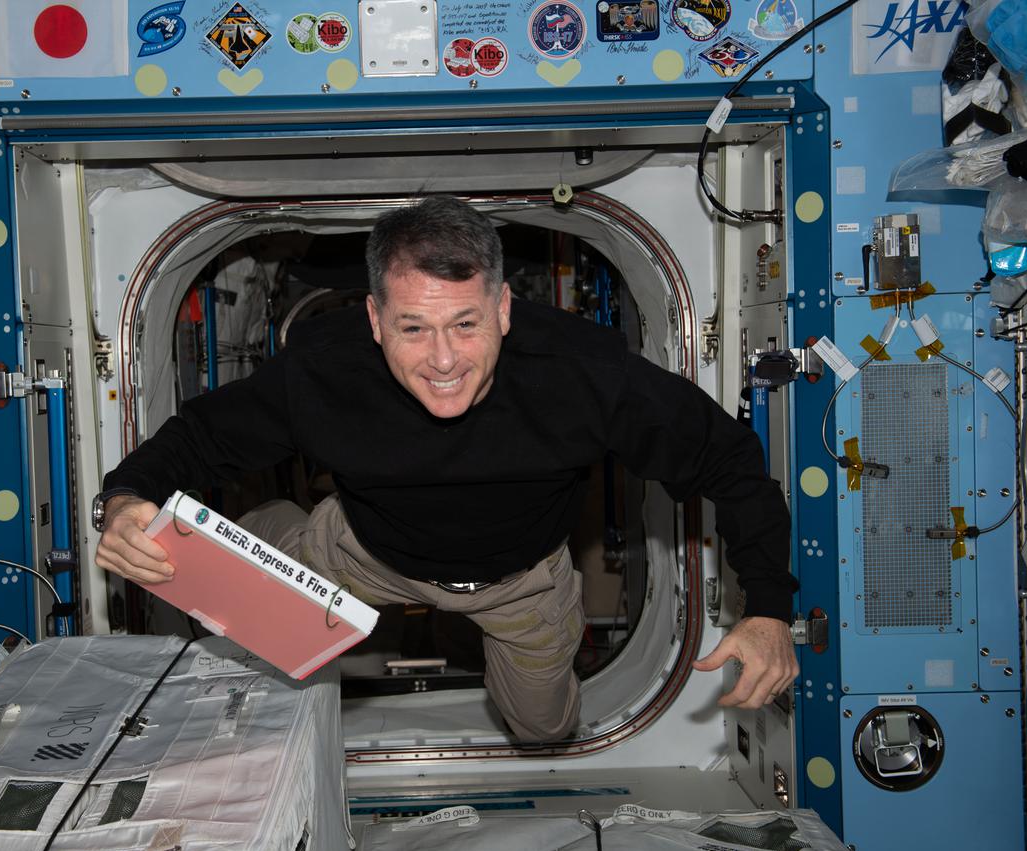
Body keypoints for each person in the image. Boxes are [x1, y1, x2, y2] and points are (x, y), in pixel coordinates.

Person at [93, 195, 798, 743]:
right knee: (211, 571)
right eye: (412, 328)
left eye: (465, 323)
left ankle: (465, 629)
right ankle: (289, 530)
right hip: (362, 551)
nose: (442, 359)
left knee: (544, 729)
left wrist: (768, 606)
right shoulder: (327, 369)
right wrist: (126, 496)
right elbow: (204, 436)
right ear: (373, 319)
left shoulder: (582, 372)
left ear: (503, 307)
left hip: (518, 581)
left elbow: (728, 459)